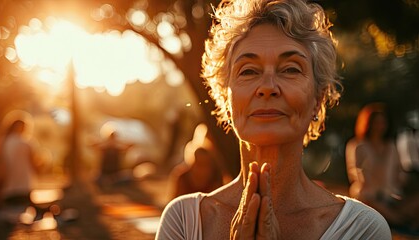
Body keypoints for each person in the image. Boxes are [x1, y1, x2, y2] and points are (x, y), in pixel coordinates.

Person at [156, 0, 391, 239]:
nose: (267, 87)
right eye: (248, 70)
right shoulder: (183, 220)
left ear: (318, 100)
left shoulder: (363, 229)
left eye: (290, 69)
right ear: (225, 99)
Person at [0, 119, 38, 206]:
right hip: (24, 184)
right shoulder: (27, 143)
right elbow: (34, 162)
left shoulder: (3, 141)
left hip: (8, 186)